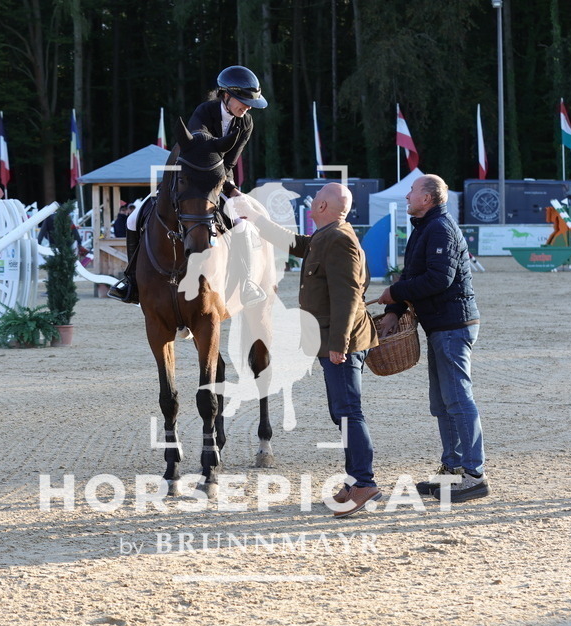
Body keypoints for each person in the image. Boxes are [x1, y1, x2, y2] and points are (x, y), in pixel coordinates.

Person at [233, 183, 381, 517]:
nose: (310, 204)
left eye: (315, 201)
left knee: (348, 412)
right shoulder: (328, 236)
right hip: (331, 341)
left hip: (339, 343)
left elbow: (347, 298)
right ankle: (355, 479)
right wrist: (256, 217)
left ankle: (364, 483)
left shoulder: (339, 240)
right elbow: (297, 243)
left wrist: (339, 346)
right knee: (341, 412)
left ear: (325, 207)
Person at [108, 65, 268, 306]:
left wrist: (231, 189)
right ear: (226, 94)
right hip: (186, 174)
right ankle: (131, 281)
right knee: (133, 220)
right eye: (243, 101)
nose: (247, 107)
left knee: (241, 225)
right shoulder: (204, 112)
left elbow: (230, 161)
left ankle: (246, 283)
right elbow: (197, 150)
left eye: (250, 103)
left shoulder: (245, 123)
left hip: (219, 178)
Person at [376, 174, 489, 504]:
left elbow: (440, 278)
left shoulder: (440, 228)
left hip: (454, 325)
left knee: (457, 397)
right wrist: (395, 308)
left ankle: (474, 475)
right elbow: (412, 274)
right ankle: (452, 471)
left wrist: (395, 292)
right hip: (441, 326)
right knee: (442, 402)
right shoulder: (423, 227)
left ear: (427, 198)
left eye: (412, 191)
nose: (407, 196)